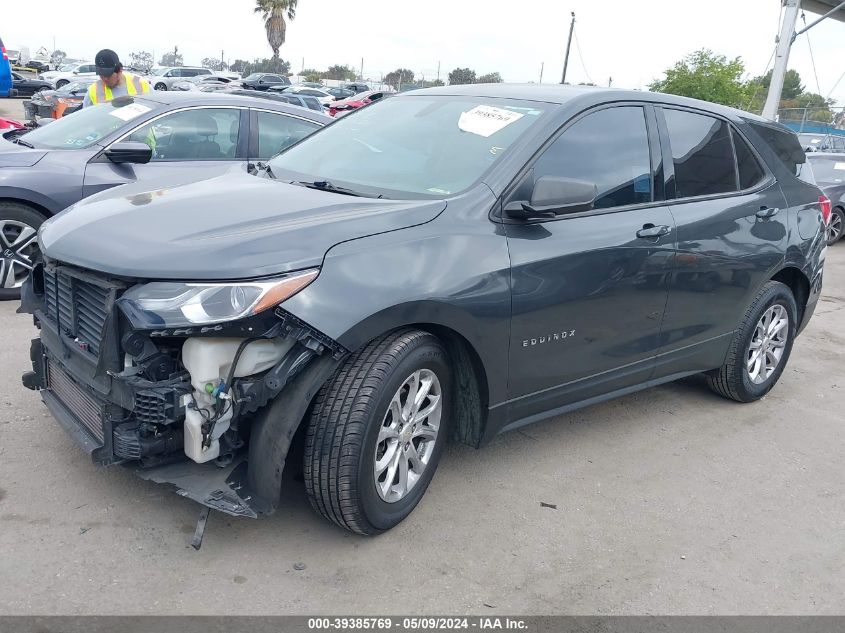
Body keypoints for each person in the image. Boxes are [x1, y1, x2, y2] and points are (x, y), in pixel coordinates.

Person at [82, 49, 150, 107]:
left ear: (119, 70)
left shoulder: (141, 84)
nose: (104, 78)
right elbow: (84, 120)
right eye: (101, 75)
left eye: (108, 75)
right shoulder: (92, 91)